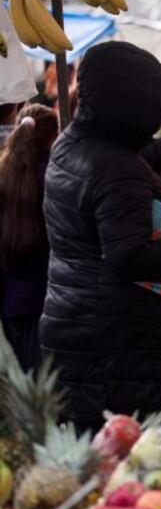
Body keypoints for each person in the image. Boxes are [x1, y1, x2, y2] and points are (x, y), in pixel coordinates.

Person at [43, 42, 161, 432]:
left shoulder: (71, 143)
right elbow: (129, 257)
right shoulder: (115, 169)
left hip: (75, 326)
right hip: (121, 346)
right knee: (136, 461)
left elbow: (125, 158)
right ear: (131, 109)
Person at [0, 105, 59, 372]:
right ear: (52, 137)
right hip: (47, 296)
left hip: (8, 299)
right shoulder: (55, 176)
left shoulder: (3, 172)